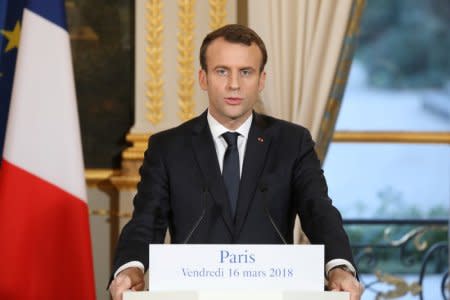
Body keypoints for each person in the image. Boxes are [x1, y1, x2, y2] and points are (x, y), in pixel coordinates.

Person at [109, 24, 363, 300]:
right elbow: (147, 221)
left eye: (246, 72)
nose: (234, 84)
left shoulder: (293, 142)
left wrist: (339, 267)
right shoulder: (167, 147)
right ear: (203, 78)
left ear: (261, 79)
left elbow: (319, 211)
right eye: (222, 71)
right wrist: (131, 268)